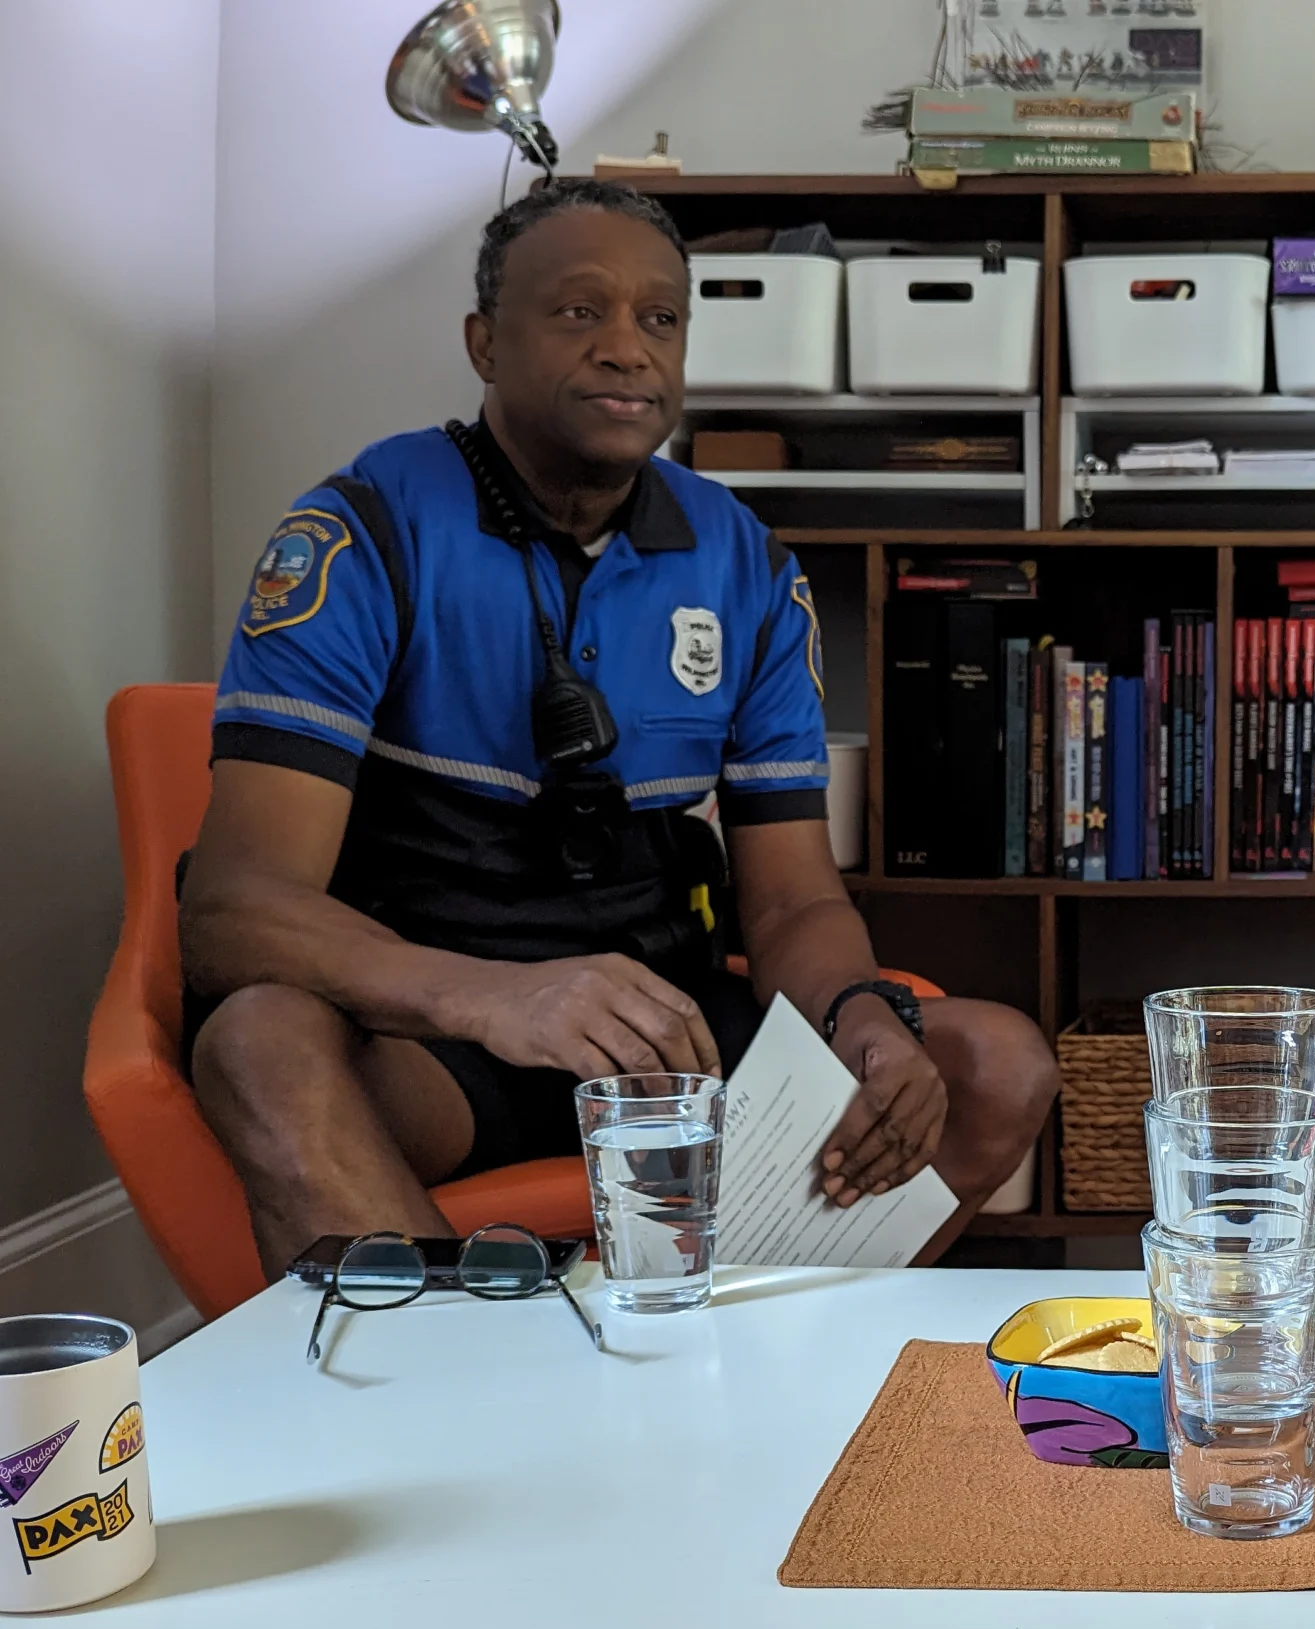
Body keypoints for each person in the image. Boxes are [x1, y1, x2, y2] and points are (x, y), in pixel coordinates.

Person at [181, 180, 1058, 1278]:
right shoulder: (361, 531)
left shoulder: (743, 561)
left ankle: (750, 1372)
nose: (625, 349)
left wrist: (862, 1015)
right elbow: (231, 911)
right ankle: (485, 1408)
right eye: (578, 311)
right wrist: (501, 997)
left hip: (665, 1034)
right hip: (439, 1039)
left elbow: (788, 896)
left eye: (659, 318)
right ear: (485, 342)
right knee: (259, 1040)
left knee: (997, 1061)